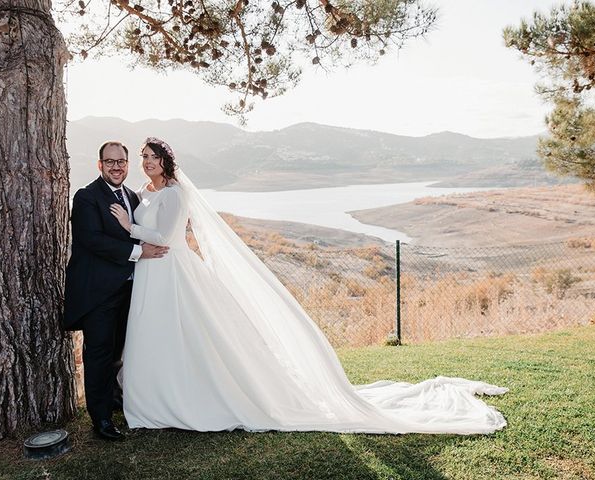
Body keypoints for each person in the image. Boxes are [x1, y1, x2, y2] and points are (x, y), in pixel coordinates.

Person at [110, 137, 508, 435]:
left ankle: (187, 397)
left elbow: (164, 235)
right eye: (142, 158)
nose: (144, 163)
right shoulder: (144, 191)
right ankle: (151, 396)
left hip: (171, 266)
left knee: (188, 332)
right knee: (154, 331)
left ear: (164, 161)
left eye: (149, 157)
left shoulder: (177, 193)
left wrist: (131, 228)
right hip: (148, 271)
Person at [64, 141, 169, 441]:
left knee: (118, 352)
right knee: (98, 354)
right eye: (109, 162)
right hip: (98, 294)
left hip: (129, 291)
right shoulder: (86, 197)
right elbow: (91, 240)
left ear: (127, 164)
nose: (116, 167)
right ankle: (100, 420)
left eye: (121, 161)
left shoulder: (133, 196)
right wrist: (139, 252)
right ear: (100, 165)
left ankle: (112, 398)